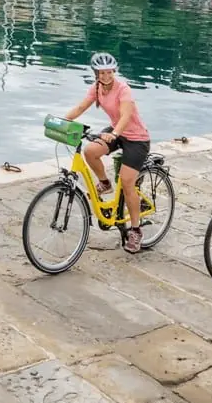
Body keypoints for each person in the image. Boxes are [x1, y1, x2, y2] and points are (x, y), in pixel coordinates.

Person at [61, 51, 152, 253]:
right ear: (96, 74)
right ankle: (105, 183)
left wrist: (115, 133)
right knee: (90, 151)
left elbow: (126, 115)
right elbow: (80, 107)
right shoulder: (96, 88)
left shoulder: (123, 89)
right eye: (101, 73)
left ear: (114, 71)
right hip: (116, 133)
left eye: (108, 72)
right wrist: (62, 122)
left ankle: (136, 230)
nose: (105, 76)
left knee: (128, 182)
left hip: (136, 138)